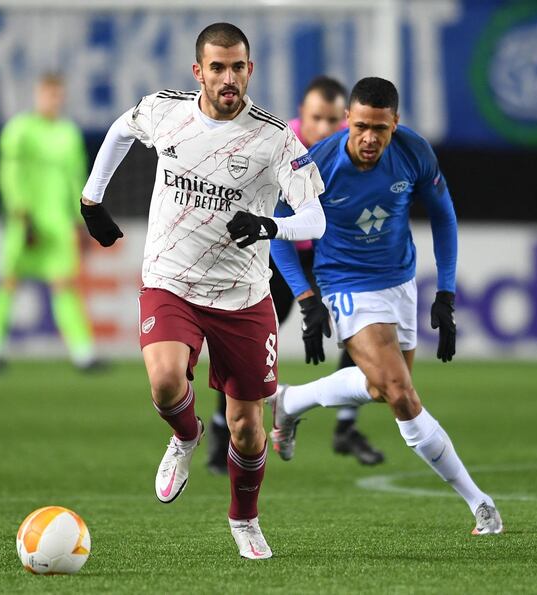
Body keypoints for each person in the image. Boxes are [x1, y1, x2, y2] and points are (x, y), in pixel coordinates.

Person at [79, 23, 326, 559]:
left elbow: (315, 219)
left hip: (242, 296)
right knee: (167, 382)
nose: (229, 77)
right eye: (218, 67)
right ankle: (185, 437)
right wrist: (91, 199)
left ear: (250, 70)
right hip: (171, 280)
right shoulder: (166, 111)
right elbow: (122, 128)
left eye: (238, 66)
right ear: (199, 72)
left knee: (246, 430)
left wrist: (269, 226)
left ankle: (245, 520)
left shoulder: (276, 138)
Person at [269, 77, 503, 535]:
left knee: (382, 389)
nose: (370, 138)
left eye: (380, 128)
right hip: (345, 282)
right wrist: (307, 297)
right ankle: (480, 503)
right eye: (360, 127)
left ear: (396, 123)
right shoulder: (318, 163)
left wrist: (446, 293)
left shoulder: (415, 152)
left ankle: (290, 401)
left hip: (399, 281)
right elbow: (279, 229)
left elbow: (443, 215)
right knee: (400, 393)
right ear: (348, 121)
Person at [205, 76, 384, 474]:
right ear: (301, 116)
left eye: (334, 120)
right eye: (317, 118)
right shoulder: (281, 145)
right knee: (247, 348)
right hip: (272, 254)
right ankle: (222, 432)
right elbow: (280, 229)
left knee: (362, 326)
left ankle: (346, 426)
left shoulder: (347, 151)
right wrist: (306, 299)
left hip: (322, 257)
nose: (324, 128)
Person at [0, 73, 98, 371]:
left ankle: (83, 355)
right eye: (49, 95)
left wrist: (80, 219)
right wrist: (19, 209)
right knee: (8, 281)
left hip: (58, 222)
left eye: (58, 95)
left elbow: (76, 180)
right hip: (25, 219)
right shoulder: (19, 129)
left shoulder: (69, 133)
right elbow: (7, 173)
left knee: (65, 285)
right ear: (38, 95)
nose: (54, 101)